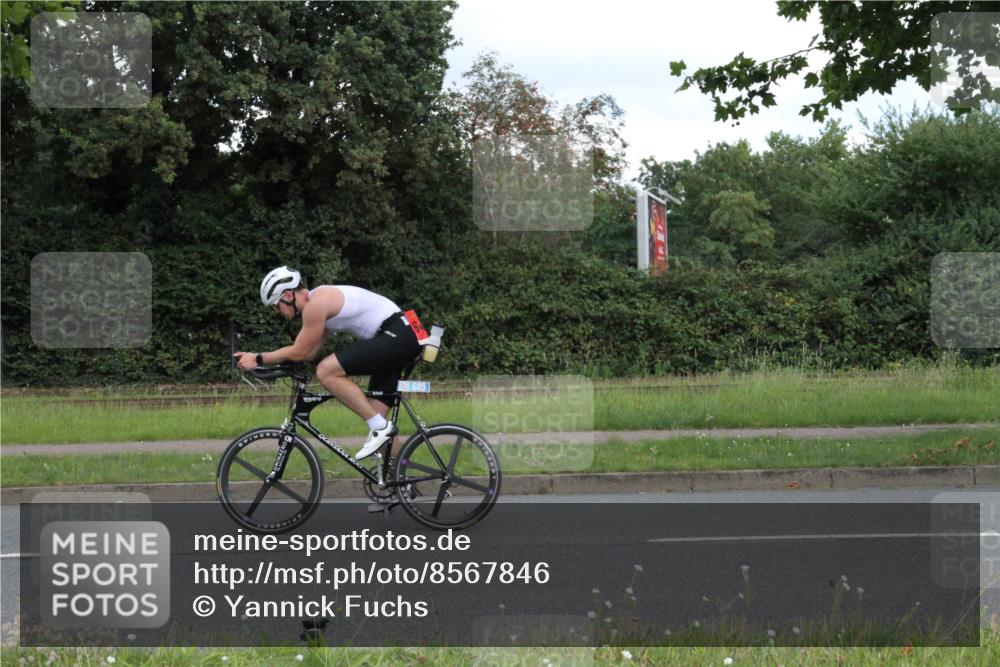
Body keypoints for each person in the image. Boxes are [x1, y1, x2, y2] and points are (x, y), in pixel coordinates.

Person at [233, 266, 423, 460]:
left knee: (326, 371)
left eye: (275, 305)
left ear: (288, 295)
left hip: (398, 333)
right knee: (376, 418)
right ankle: (399, 474)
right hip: (404, 332)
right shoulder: (320, 302)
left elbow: (299, 352)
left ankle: (380, 428)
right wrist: (276, 365)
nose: (276, 311)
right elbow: (308, 353)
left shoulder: (316, 305)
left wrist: (258, 358)